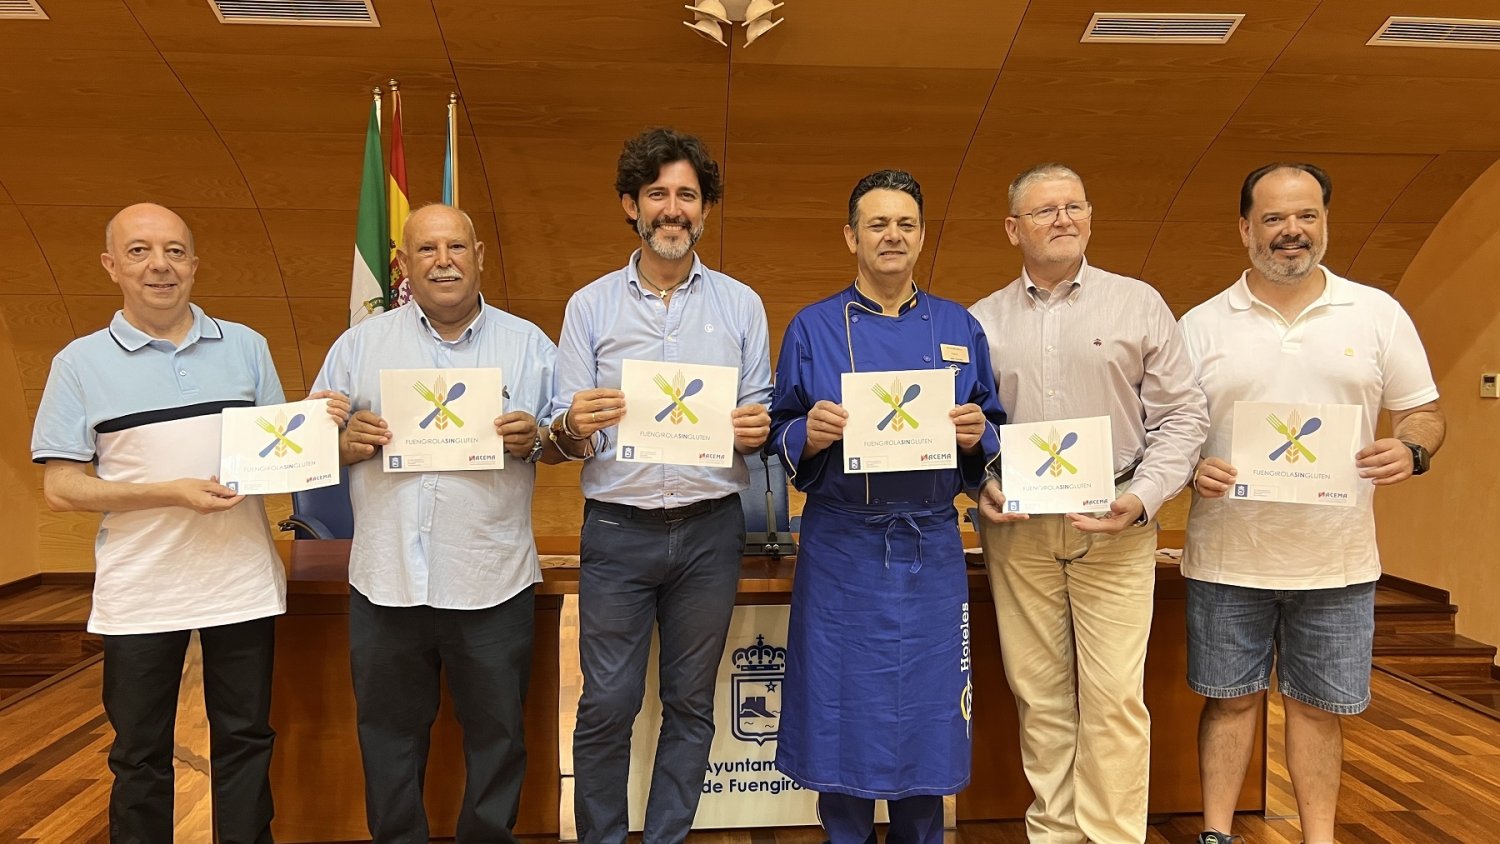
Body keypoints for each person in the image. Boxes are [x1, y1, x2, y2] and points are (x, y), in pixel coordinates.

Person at [31, 202, 349, 844]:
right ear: (111, 265)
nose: (160, 265)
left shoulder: (246, 346)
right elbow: (60, 488)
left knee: (247, 740)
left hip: (241, 581)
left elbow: (275, 460)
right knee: (139, 753)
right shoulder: (78, 363)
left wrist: (314, 428)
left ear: (195, 264)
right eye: (141, 250)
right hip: (141, 590)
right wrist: (167, 493)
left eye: (175, 251)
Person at [1181, 163, 1445, 844]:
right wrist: (1190, 468)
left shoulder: (1378, 313)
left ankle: (1318, 837)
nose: (1291, 232)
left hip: (1338, 561)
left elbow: (1423, 413)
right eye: (1273, 219)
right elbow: (1169, 432)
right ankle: (1217, 833)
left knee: (1319, 708)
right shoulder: (1201, 325)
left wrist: (1410, 450)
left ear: (1325, 223)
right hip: (1227, 557)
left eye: (1306, 217)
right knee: (1229, 701)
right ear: (1245, 230)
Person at [969, 163, 1208, 843]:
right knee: (1040, 700)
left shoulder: (1139, 304)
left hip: (1116, 530)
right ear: (1014, 229)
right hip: (1020, 536)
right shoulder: (980, 322)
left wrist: (1141, 498)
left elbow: (1184, 417)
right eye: (1044, 211)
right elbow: (967, 428)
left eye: (1074, 206)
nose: (1063, 219)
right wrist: (977, 481)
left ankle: (1110, 837)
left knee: (1113, 702)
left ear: (1092, 217)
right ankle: (1054, 834)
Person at [768, 169, 1005, 844]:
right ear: (851, 237)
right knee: (841, 715)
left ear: (923, 235)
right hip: (842, 550)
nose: (892, 236)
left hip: (930, 550)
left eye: (905, 223)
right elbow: (779, 424)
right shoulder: (813, 327)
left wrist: (976, 435)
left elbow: (992, 423)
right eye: (877, 224)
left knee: (926, 717)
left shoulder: (960, 325)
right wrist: (805, 433)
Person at [311, 203, 560, 844]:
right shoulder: (359, 345)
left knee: (499, 737)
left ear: (480, 256)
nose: (443, 261)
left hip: (490, 577)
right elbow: (306, 444)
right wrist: (340, 443)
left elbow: (571, 441)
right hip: (387, 577)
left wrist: (536, 438)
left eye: (456, 248)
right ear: (401, 265)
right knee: (388, 738)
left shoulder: (530, 344)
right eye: (426, 250)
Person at [551, 127, 773, 844]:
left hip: (712, 528)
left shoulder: (742, 305)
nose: (672, 209)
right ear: (630, 206)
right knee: (607, 705)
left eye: (686, 195)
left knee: (691, 703)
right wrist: (574, 423)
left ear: (704, 209)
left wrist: (755, 427)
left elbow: (764, 407)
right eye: (657, 195)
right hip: (617, 531)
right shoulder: (589, 307)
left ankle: (670, 836)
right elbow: (562, 433)